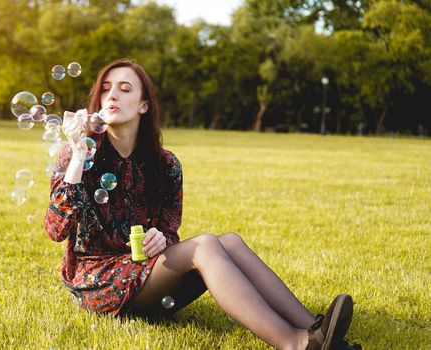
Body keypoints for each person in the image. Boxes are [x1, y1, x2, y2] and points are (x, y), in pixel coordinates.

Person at [44, 59, 361, 350]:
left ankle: (317, 330)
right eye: (106, 89)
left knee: (231, 243)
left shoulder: (166, 165)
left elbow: (170, 230)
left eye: (125, 89)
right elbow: (56, 229)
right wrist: (79, 154)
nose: (112, 95)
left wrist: (162, 239)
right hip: (97, 280)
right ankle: (295, 343)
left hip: (145, 274)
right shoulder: (78, 155)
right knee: (207, 245)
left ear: (144, 105)